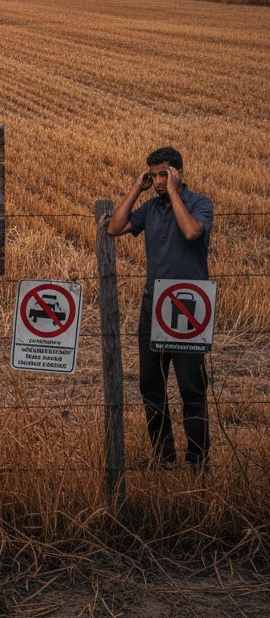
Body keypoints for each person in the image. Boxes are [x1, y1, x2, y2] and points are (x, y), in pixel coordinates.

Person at [107, 146, 213, 469]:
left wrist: (175, 192)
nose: (157, 181)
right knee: (151, 386)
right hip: (154, 304)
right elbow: (114, 228)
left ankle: (197, 461)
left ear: (178, 173)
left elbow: (191, 231)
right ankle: (164, 457)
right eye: (152, 176)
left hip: (190, 307)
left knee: (191, 387)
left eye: (162, 175)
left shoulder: (200, 204)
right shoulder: (150, 208)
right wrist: (136, 189)